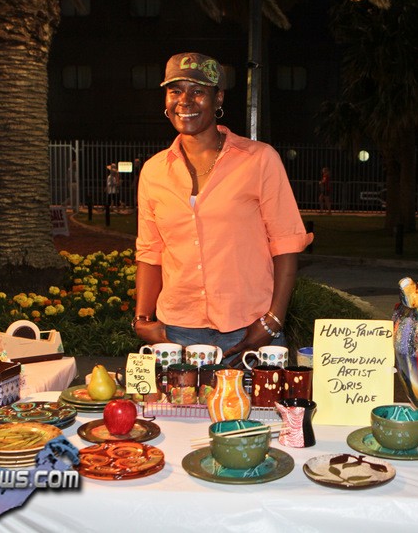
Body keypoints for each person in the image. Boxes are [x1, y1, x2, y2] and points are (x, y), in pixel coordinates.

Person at [133, 52, 313, 367]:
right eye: (175, 91)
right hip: (176, 334)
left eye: (197, 91)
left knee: (260, 402)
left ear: (218, 98)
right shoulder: (154, 170)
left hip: (250, 331)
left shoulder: (259, 160)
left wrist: (273, 321)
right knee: (175, 403)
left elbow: (285, 244)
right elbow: (150, 252)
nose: (184, 101)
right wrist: (142, 319)